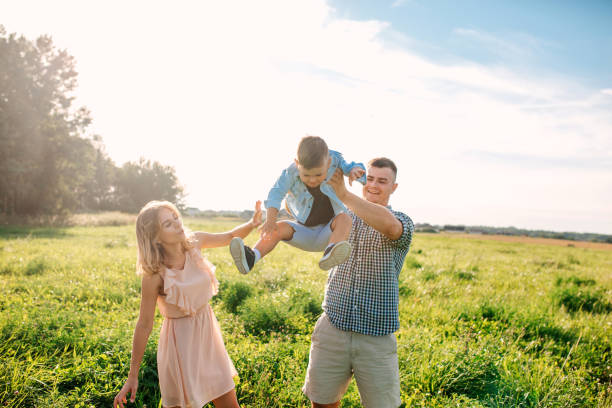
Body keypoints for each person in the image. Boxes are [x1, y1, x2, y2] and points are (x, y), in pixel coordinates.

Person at [113, 200, 262, 408]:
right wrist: (133, 375)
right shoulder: (154, 275)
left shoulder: (195, 242)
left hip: (209, 337)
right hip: (179, 347)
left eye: (176, 217)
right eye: (168, 224)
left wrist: (252, 223)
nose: (177, 224)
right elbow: (144, 324)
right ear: (155, 237)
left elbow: (230, 237)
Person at [302, 158, 414, 408]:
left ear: (393, 187)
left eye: (382, 181)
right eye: (370, 178)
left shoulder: (401, 220)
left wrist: (343, 193)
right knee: (322, 402)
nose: (374, 185)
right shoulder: (341, 216)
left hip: (375, 337)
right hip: (333, 325)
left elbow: (390, 227)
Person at [229, 136, 366, 274]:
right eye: (306, 175)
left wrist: (355, 171)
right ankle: (251, 258)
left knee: (345, 218)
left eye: (318, 175)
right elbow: (275, 194)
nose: (312, 180)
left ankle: (330, 252)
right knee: (278, 227)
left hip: (329, 231)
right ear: (297, 163)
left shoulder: (335, 160)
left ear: (328, 162)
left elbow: (353, 167)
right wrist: (270, 220)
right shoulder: (290, 172)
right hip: (303, 232)